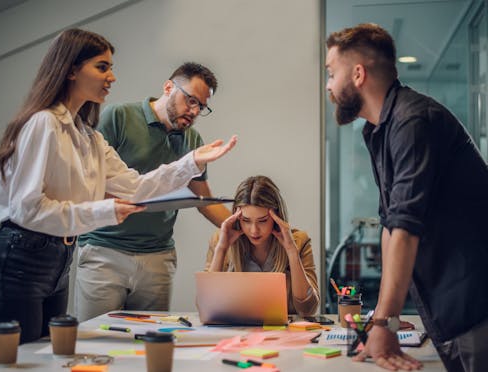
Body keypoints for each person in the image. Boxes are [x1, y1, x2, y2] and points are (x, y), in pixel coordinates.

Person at [0, 28, 236, 344]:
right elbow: (29, 209)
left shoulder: (88, 136)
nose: (112, 78)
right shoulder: (44, 123)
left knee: (47, 354)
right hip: (22, 256)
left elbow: (135, 186)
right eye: (102, 67)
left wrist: (192, 162)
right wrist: (106, 211)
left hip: (59, 257)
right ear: (70, 70)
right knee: (19, 357)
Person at [325, 23, 488, 372]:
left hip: (474, 308)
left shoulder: (413, 121)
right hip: (446, 311)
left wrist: (384, 324)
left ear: (357, 74)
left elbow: (405, 227)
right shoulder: (380, 130)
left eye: (331, 72)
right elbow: (390, 226)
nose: (328, 86)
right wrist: (387, 321)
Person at [75, 62, 233, 321]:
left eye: (201, 107)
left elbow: (202, 198)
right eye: (190, 100)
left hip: (157, 257)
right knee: (95, 342)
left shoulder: (192, 141)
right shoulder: (118, 117)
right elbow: (90, 181)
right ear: (169, 87)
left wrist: (240, 226)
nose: (194, 111)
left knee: (150, 345)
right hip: (104, 250)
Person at [205, 175, 320, 316]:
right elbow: (207, 308)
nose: (254, 230)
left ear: (276, 217)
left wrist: (291, 252)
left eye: (263, 221)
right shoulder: (221, 241)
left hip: (283, 333)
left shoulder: (299, 241)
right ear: (236, 218)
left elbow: (308, 310)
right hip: (235, 331)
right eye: (246, 220)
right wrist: (222, 249)